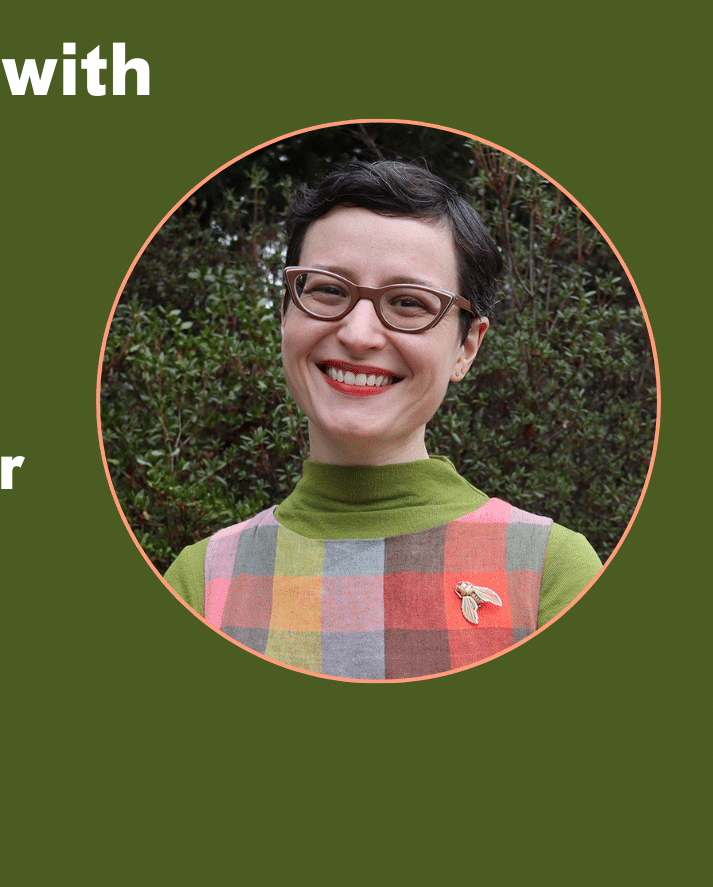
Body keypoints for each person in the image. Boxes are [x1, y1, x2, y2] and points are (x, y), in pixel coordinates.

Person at [162, 160, 600, 680]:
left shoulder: (551, 573)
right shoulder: (201, 581)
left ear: (467, 347)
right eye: (327, 290)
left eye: (410, 302)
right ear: (285, 313)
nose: (359, 334)